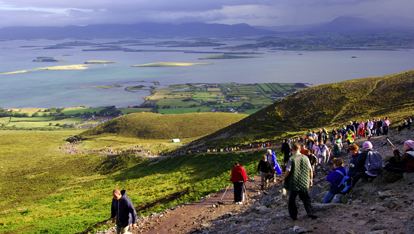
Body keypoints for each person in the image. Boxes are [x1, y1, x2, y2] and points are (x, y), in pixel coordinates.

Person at [283, 143, 317, 220]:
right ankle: (310, 212)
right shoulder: (305, 157)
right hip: (304, 181)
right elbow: (310, 170)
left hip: (294, 182)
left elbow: (288, 170)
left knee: (292, 200)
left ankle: (294, 216)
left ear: (292, 150)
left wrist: (284, 178)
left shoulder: (291, 159)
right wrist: (311, 180)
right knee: (306, 198)